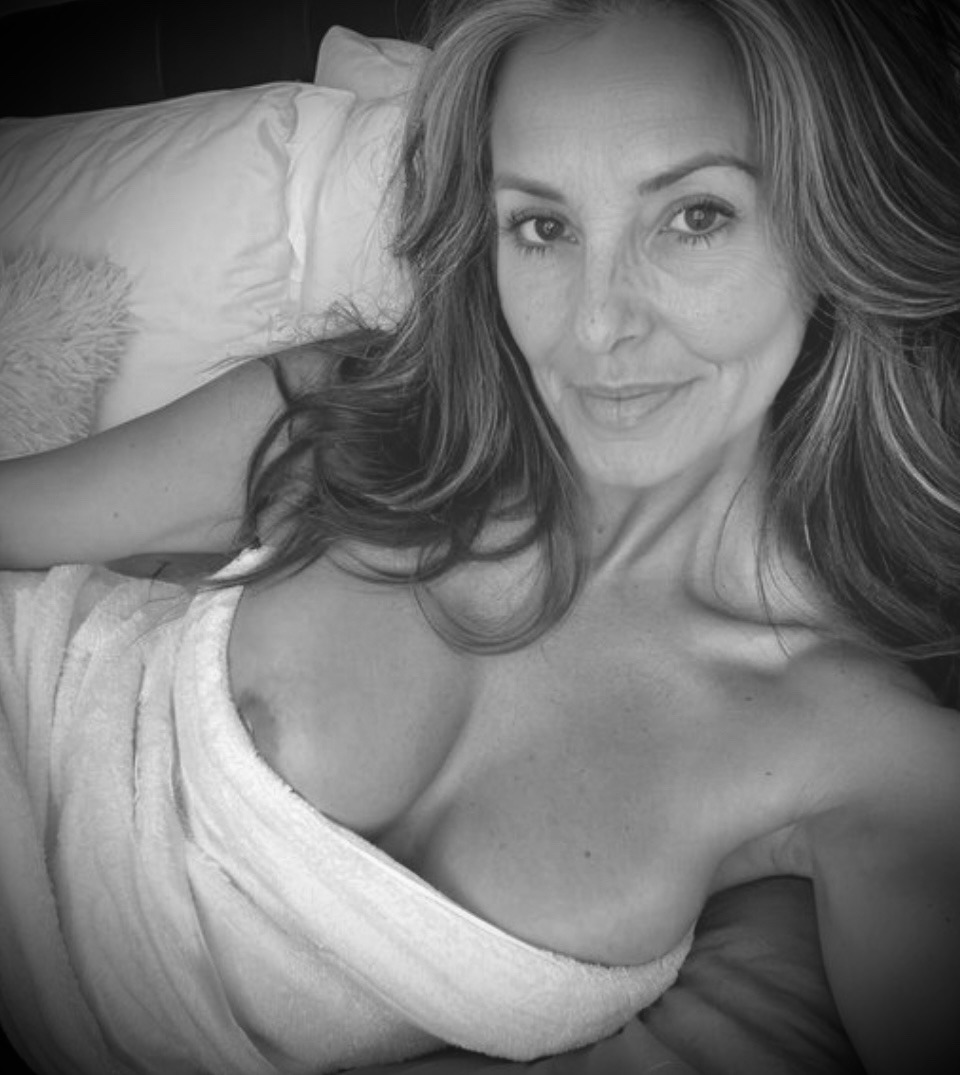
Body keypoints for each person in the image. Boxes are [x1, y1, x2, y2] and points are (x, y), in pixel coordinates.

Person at [2, 0, 960, 1073]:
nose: (597, 323)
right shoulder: (355, 418)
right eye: (542, 227)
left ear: (838, 228)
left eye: (694, 216)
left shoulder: (869, 755)